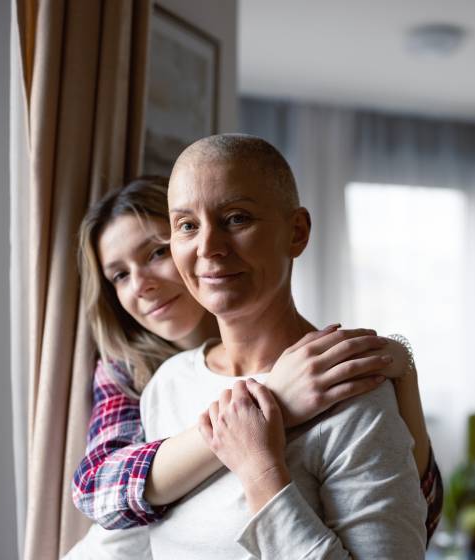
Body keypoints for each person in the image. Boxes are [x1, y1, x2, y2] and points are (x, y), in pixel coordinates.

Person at [65, 177, 442, 558]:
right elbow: (97, 491)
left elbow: (416, 518)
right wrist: (268, 404)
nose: (141, 285)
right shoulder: (133, 374)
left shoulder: (311, 366)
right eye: (120, 275)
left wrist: (403, 370)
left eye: (156, 254)